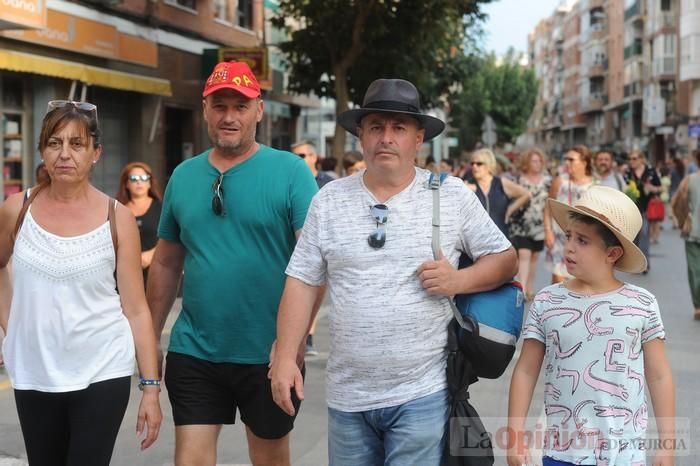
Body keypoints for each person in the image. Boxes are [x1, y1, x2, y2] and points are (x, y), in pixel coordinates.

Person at [269, 78, 517, 465]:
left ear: (418, 139)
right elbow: (302, 280)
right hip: (347, 397)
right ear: (361, 136)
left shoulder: (449, 194)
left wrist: (458, 279)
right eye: (376, 127)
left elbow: (505, 258)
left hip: (422, 394)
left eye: (399, 128)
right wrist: (285, 357)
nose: (387, 137)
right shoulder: (329, 201)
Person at [146, 61, 318, 466]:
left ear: (259, 110)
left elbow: (315, 261)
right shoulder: (183, 176)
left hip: (269, 353)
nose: (229, 117)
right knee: (190, 461)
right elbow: (168, 262)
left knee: (270, 460)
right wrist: (149, 338)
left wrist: (292, 345)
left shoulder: (291, 172)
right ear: (205, 110)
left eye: (240, 107)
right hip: (195, 349)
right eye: (219, 106)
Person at [0, 100, 162, 465]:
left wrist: (151, 388)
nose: (64, 154)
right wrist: (12, 326)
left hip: (103, 365)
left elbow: (136, 309)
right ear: (42, 150)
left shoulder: (116, 217)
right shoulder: (16, 209)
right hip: (33, 368)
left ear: (95, 153)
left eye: (77, 144)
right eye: (54, 143)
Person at [507, 186, 675, 466]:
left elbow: (659, 376)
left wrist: (667, 447)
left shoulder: (642, 303)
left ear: (612, 253)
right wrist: (515, 436)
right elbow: (525, 370)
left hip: (624, 455)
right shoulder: (548, 300)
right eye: (568, 236)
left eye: (583, 241)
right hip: (561, 453)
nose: (569, 246)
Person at [291, 141, 332, 357]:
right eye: (295, 155)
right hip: (294, 250)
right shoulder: (288, 180)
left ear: (314, 157)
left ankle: (307, 337)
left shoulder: (328, 184)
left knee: (315, 288)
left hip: (322, 251)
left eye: (302, 155)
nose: (298, 159)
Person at [544, 145, 595, 283]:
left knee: (579, 282)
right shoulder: (560, 181)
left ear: (584, 162)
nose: (567, 163)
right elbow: (548, 207)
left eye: (572, 160)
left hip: (583, 240)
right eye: (566, 159)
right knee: (558, 282)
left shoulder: (594, 185)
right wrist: (547, 231)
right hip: (560, 238)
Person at [509, 148, 551, 301]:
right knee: (524, 254)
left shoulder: (548, 180)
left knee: (534, 257)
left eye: (539, 161)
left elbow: (550, 202)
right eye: (534, 161)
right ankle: (522, 289)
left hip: (540, 225)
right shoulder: (518, 180)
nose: (537, 164)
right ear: (527, 162)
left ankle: (530, 288)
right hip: (521, 224)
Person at [466, 148, 531, 239]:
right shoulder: (467, 185)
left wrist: (510, 210)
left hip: (500, 237)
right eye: (472, 164)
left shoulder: (501, 183)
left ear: (489, 165)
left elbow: (526, 194)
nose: (474, 166)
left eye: (479, 164)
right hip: (476, 239)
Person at [117, 162, 162, 284]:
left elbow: (175, 238)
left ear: (149, 182)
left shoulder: (162, 208)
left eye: (143, 178)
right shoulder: (117, 211)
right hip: (127, 278)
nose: (139, 182)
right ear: (126, 183)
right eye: (134, 178)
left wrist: (152, 254)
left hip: (158, 274)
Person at [672, 149, 700, 320]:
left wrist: (684, 221)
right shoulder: (688, 180)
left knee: (694, 269)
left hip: (692, 230)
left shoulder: (688, 180)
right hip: (692, 232)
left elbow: (676, 203)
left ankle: (698, 306)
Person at [624, 150, 662, 271]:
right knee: (633, 236)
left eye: (634, 159)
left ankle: (644, 264)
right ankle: (634, 263)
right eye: (630, 159)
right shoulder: (628, 173)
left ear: (641, 159)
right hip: (630, 208)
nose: (631, 161)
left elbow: (660, 187)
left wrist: (652, 188)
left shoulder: (650, 171)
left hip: (645, 208)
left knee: (644, 234)